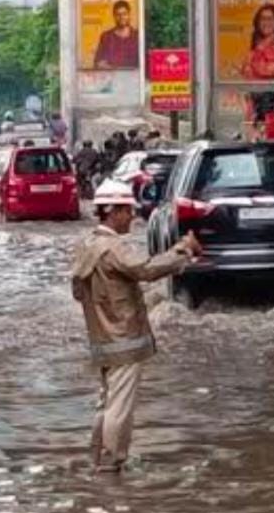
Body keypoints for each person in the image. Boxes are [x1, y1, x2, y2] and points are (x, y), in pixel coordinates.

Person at [71, 180, 200, 472]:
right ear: (113, 211)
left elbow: (78, 293)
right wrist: (184, 250)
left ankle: (98, 458)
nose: (132, 216)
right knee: (120, 406)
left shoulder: (85, 246)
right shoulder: (114, 248)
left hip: (101, 338)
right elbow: (148, 269)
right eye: (127, 210)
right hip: (124, 339)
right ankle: (112, 462)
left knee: (106, 402)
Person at [241, 4, 274, 81]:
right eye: (262, 19)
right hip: (256, 91)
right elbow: (246, 71)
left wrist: (254, 67)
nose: (266, 22)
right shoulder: (255, 46)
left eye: (270, 19)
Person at [93, 0, 140, 70]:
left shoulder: (137, 36)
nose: (122, 17)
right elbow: (98, 63)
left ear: (129, 15)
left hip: (134, 78)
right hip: (112, 79)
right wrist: (115, 70)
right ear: (114, 16)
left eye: (124, 14)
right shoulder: (106, 37)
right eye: (118, 14)